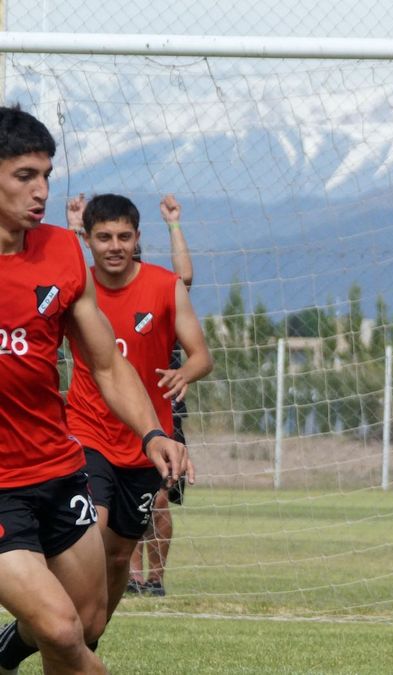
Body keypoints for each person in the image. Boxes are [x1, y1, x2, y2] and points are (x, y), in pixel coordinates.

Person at [0, 105, 191, 674]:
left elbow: (106, 363)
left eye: (46, 175)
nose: (41, 190)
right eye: (24, 176)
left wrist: (153, 432)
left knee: (86, 623)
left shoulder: (62, 251)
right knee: (59, 628)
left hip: (57, 470)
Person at [57, 191, 211, 625]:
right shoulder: (76, 290)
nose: (115, 246)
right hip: (88, 433)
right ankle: (57, 624)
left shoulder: (164, 286)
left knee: (119, 555)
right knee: (89, 533)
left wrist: (185, 373)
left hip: (148, 440)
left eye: (123, 237)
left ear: (137, 237)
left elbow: (201, 355)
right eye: (104, 237)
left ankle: (89, 634)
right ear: (88, 239)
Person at [127, 194, 194, 597]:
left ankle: (155, 577)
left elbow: (184, 277)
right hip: (116, 412)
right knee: (125, 499)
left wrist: (173, 224)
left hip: (164, 411)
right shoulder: (95, 296)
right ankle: (131, 577)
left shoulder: (160, 291)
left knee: (159, 499)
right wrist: (76, 228)